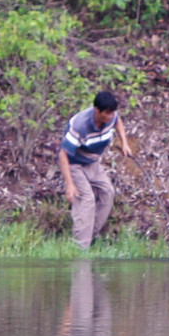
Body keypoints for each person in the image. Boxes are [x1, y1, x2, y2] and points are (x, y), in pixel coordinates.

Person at [59, 90, 133, 249]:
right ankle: (80, 247)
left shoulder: (111, 116)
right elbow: (62, 154)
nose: (110, 117)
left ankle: (90, 237)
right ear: (96, 110)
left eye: (112, 113)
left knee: (108, 192)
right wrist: (69, 184)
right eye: (106, 114)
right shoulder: (80, 125)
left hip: (93, 162)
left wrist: (124, 143)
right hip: (74, 164)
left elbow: (118, 121)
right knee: (87, 199)